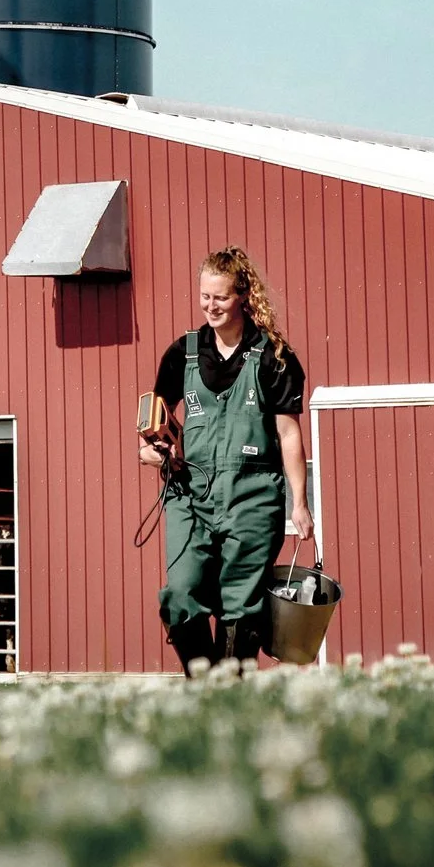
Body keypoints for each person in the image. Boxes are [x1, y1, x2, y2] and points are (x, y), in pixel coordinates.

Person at [139, 245, 311, 672]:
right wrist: (153, 448)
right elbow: (154, 417)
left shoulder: (274, 356)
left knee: (241, 599)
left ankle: (228, 699)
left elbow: (289, 435)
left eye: (221, 297)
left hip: (253, 494)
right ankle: (206, 685)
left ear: (242, 297)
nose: (210, 306)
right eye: (204, 296)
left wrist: (300, 503)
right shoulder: (184, 353)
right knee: (180, 593)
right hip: (189, 494)